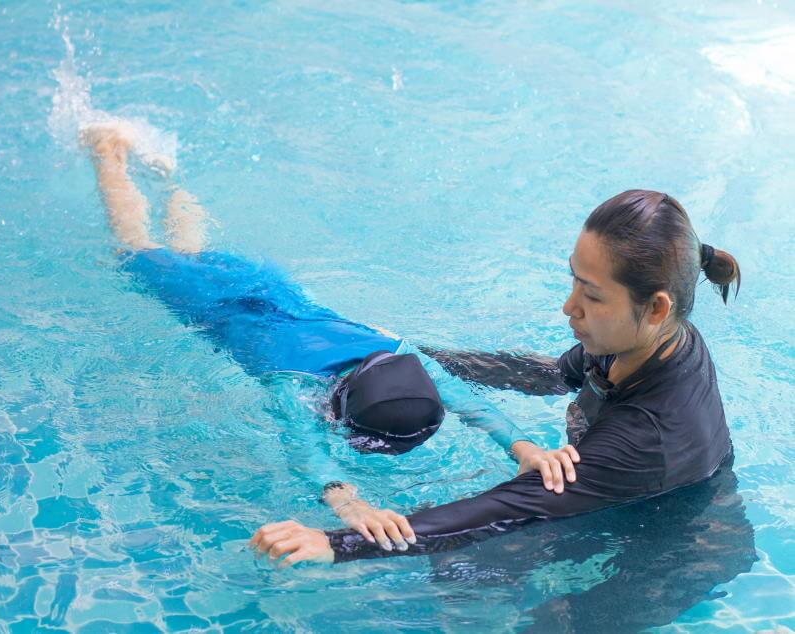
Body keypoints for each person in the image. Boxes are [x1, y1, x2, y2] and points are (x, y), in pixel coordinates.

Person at [81, 122, 578, 553]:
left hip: (268, 288)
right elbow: (303, 446)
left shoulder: (403, 354)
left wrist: (523, 447)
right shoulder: (289, 381)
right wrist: (348, 502)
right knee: (133, 246)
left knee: (194, 249)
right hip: (212, 306)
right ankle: (108, 152)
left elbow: (471, 403)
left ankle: (167, 177)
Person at [250, 189, 742, 567]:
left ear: (656, 307)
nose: (569, 307)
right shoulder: (637, 340)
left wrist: (335, 544)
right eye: (573, 280)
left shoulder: (648, 435)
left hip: (665, 553)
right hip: (609, 500)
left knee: (466, 573)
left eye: (590, 296)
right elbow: (550, 374)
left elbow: (504, 508)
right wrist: (411, 354)